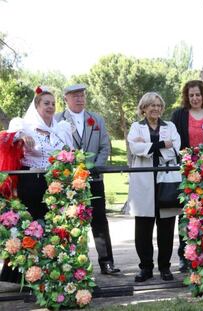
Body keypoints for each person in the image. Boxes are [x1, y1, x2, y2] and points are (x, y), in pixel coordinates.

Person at [0, 86, 73, 282]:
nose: (50, 107)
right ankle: (21, 274)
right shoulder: (25, 125)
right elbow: (6, 141)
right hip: (31, 183)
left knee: (52, 227)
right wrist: (21, 137)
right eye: (46, 103)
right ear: (37, 106)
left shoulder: (61, 129)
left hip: (55, 184)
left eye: (53, 104)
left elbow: (71, 154)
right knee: (30, 225)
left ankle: (49, 271)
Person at [55, 84, 120, 275]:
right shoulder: (58, 120)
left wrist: (94, 168)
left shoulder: (96, 119)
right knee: (70, 222)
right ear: (66, 98)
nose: (80, 99)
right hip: (69, 180)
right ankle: (72, 265)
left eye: (82, 95)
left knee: (99, 220)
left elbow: (104, 148)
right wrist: (72, 170)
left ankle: (106, 262)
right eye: (75, 96)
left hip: (94, 178)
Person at [127, 92, 181, 282]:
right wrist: (159, 144)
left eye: (159, 105)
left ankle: (165, 267)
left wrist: (148, 146)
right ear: (144, 108)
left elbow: (174, 149)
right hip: (143, 179)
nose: (156, 108)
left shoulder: (170, 126)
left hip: (165, 180)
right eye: (152, 105)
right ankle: (146, 268)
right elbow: (135, 148)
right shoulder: (136, 127)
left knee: (166, 227)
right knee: (143, 228)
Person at [171, 79, 203, 272]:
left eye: (198, 95)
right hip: (186, 172)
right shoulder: (178, 115)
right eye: (191, 95)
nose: (195, 98)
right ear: (187, 96)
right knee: (186, 214)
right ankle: (185, 255)